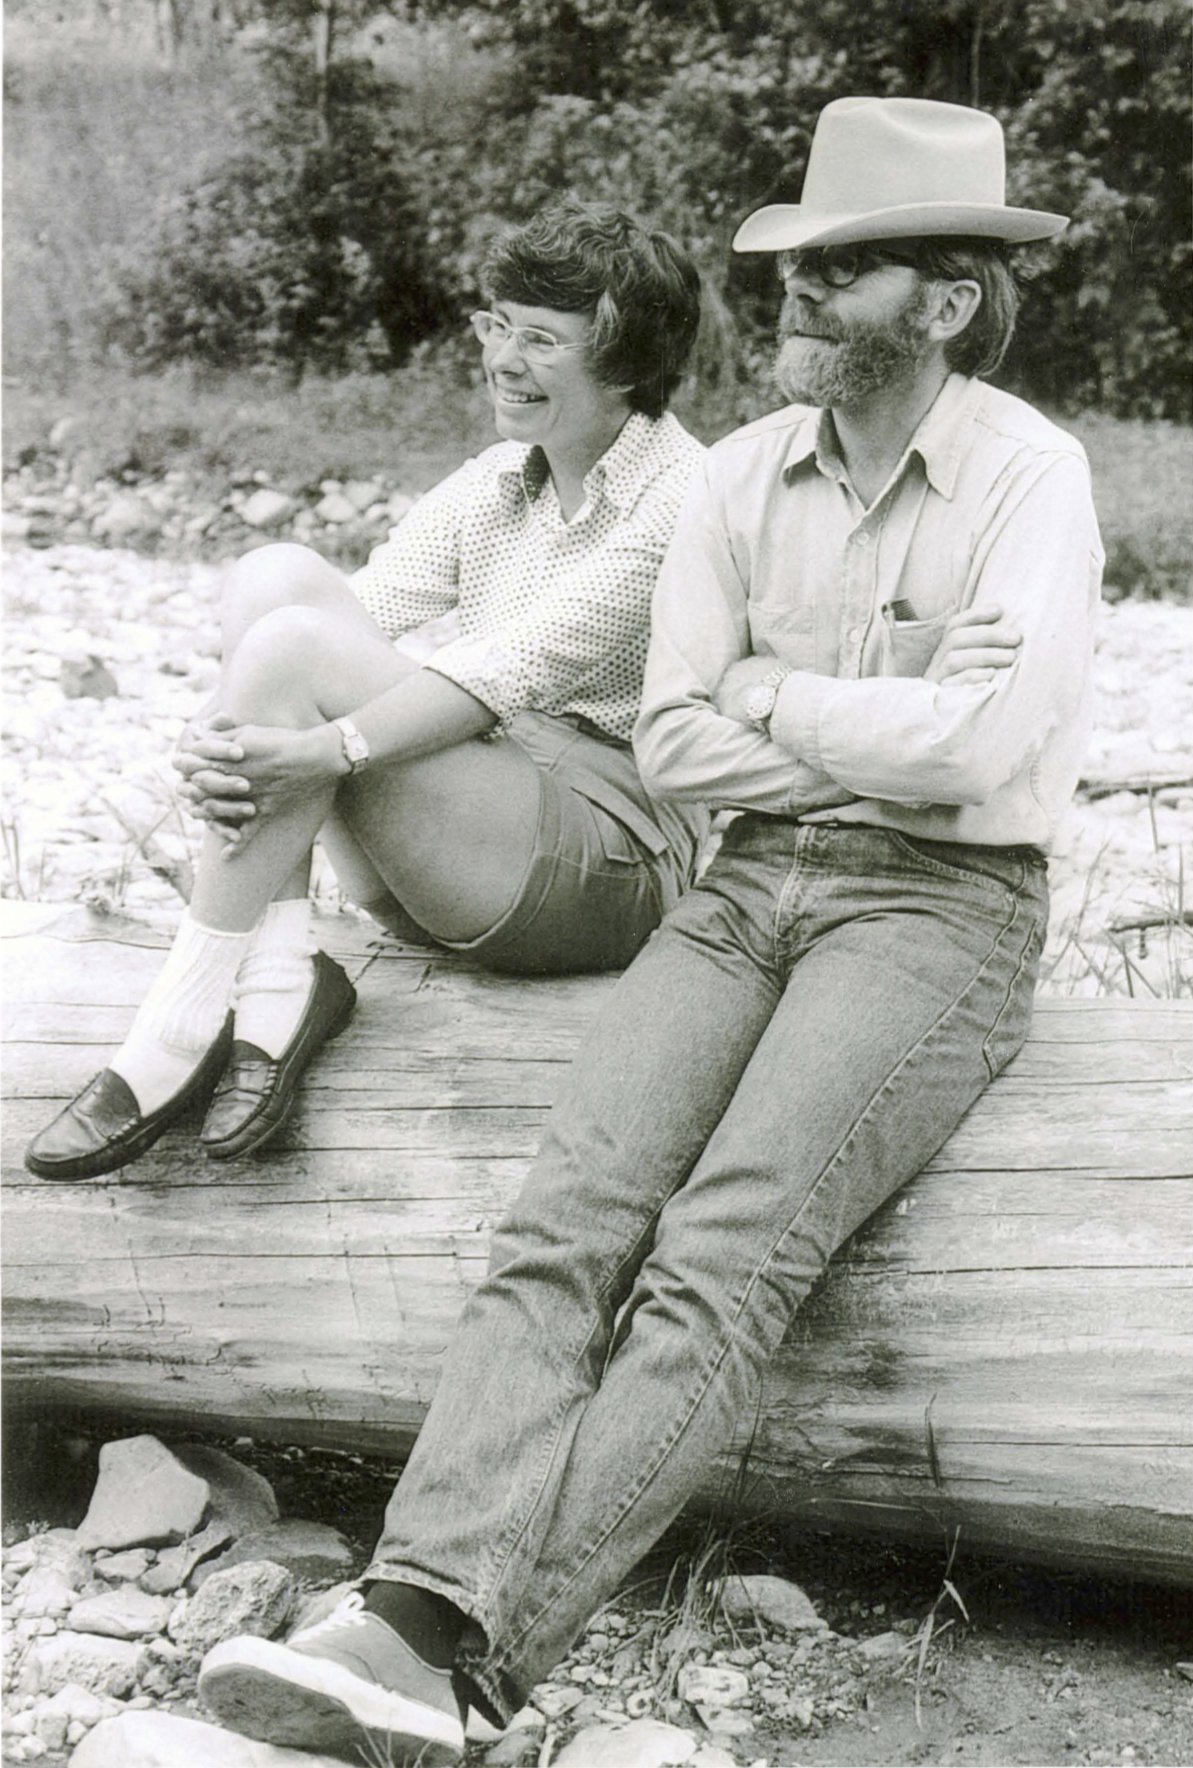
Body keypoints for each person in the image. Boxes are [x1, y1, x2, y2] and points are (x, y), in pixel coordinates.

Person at [197, 95, 1103, 1764]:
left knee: (719, 1262)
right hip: (742, 881)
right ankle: (411, 1609)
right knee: (562, 1225)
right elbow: (679, 739)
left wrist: (774, 694)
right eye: (792, 264)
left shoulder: (1029, 477)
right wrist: (856, 719)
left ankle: (466, 1657)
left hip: (942, 906)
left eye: (841, 271)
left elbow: (977, 755)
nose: (795, 293)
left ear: (947, 301)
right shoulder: (741, 477)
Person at [25, 199, 712, 1181]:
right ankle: (277, 971)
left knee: (296, 648)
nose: (502, 359)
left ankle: (179, 1021)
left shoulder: (686, 493)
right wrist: (214, 734)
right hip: (475, 830)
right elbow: (351, 613)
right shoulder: (496, 480)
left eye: (540, 340)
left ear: (628, 364)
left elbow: (512, 667)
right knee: (274, 579)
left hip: (604, 863)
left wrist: (324, 748)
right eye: (497, 327)